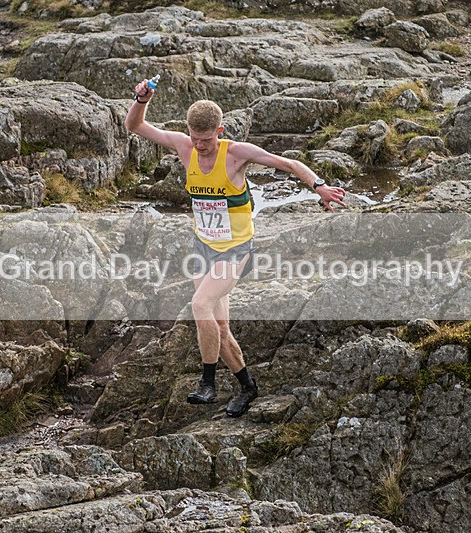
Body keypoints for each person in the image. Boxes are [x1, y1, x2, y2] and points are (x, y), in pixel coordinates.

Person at [124, 78, 347, 417]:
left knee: (200, 304)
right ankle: (247, 387)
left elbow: (287, 164)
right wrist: (142, 98)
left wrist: (319, 185)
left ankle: (208, 383)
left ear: (220, 130)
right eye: (195, 138)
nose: (200, 146)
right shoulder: (185, 147)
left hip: (236, 251)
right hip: (203, 248)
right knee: (221, 329)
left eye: (207, 139)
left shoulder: (237, 154)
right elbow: (134, 125)